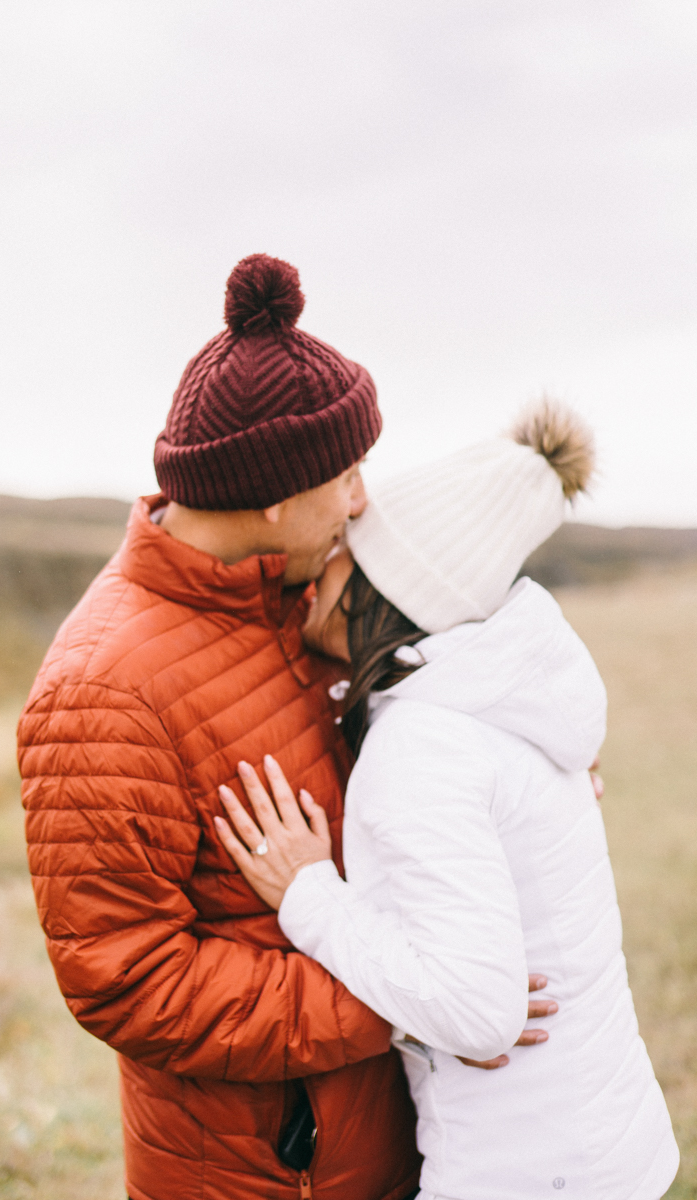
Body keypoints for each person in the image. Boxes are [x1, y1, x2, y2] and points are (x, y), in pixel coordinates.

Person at [18, 255, 554, 1200]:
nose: (361, 500)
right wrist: (403, 1004)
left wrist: (525, 770)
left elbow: (449, 694)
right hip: (262, 1175)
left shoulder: (309, 601)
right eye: (346, 474)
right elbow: (126, 978)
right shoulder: (98, 694)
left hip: (394, 1142)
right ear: (269, 493)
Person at [215, 400, 680, 1199]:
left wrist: (307, 894)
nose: (312, 572)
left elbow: (480, 1014)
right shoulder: (501, 703)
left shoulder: (421, 747)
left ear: (379, 588)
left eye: (336, 559)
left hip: (520, 1173)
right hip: (604, 1146)